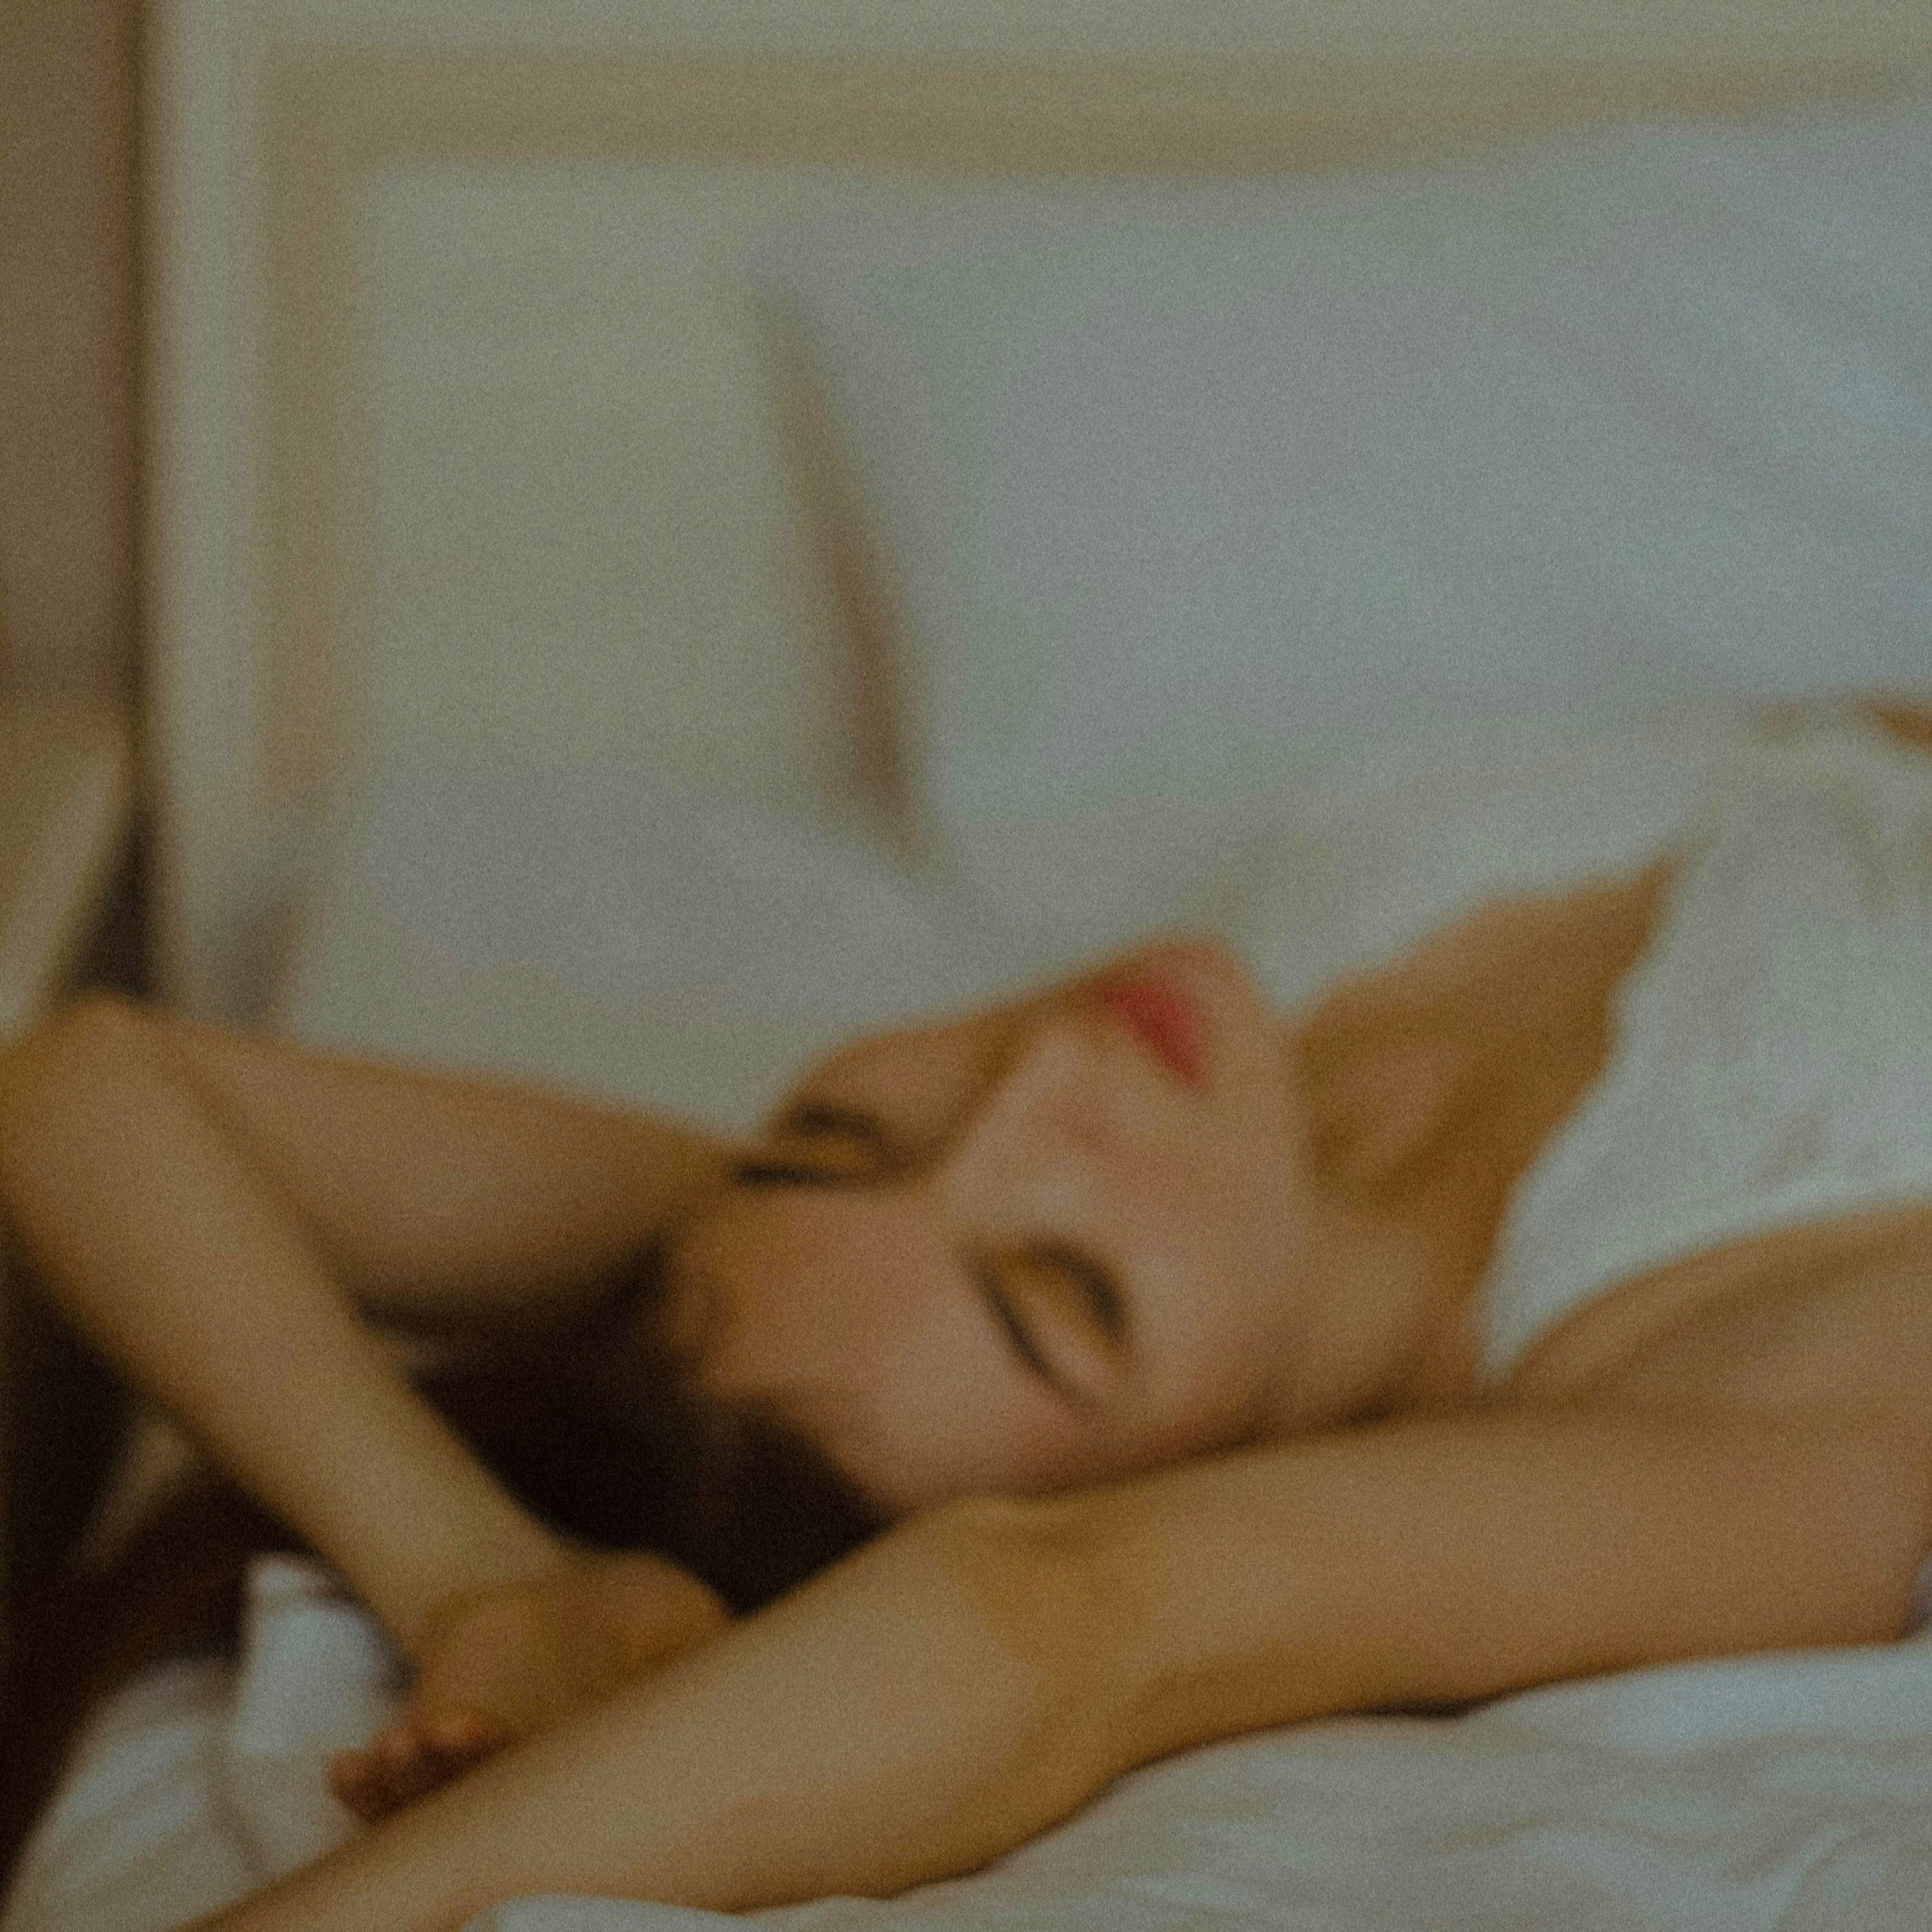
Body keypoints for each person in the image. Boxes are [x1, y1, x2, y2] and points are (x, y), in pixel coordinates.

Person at [3, 697, 1931, 1932]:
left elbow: (87, 1084)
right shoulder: (1743, 1397)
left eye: (841, 1129)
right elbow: (1062, 1616)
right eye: (1058, 1293)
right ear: (1194, 1461)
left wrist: (466, 1564)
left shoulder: (1125, 1120)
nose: (1037, 1083)